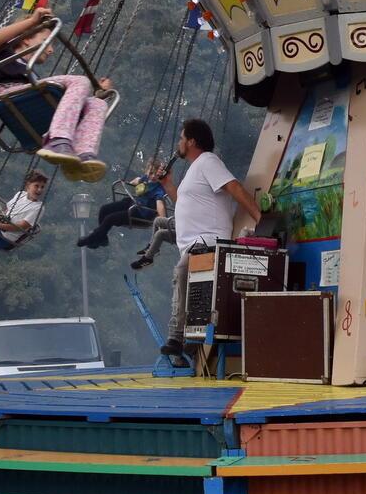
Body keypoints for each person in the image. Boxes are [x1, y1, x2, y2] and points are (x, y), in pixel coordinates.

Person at [158, 119, 260, 366]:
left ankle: (177, 336)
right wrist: (167, 184)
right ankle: (188, 344)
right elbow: (183, 203)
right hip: (193, 244)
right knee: (185, 284)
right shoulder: (194, 169)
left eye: (182, 138)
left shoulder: (208, 162)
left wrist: (259, 216)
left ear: (192, 141)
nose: (179, 144)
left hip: (208, 240)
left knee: (182, 271)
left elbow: (233, 186)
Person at [0, 8, 118, 179]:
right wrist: (33, 22)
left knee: (98, 104)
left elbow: (70, 104)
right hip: (10, 92)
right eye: (46, 41)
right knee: (80, 81)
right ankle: (59, 140)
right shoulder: (6, 54)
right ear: (27, 39)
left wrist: (95, 97)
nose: (51, 50)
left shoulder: (32, 76)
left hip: (29, 99)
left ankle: (82, 155)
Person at [78, 161, 169, 250]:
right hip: (132, 204)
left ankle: (92, 238)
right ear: (147, 171)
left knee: (110, 219)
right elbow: (137, 181)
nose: (153, 176)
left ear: (161, 176)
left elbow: (160, 205)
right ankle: (102, 238)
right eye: (151, 173)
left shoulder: (158, 189)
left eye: (156, 175)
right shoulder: (146, 178)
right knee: (104, 209)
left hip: (141, 214)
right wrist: (132, 182)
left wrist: (162, 221)